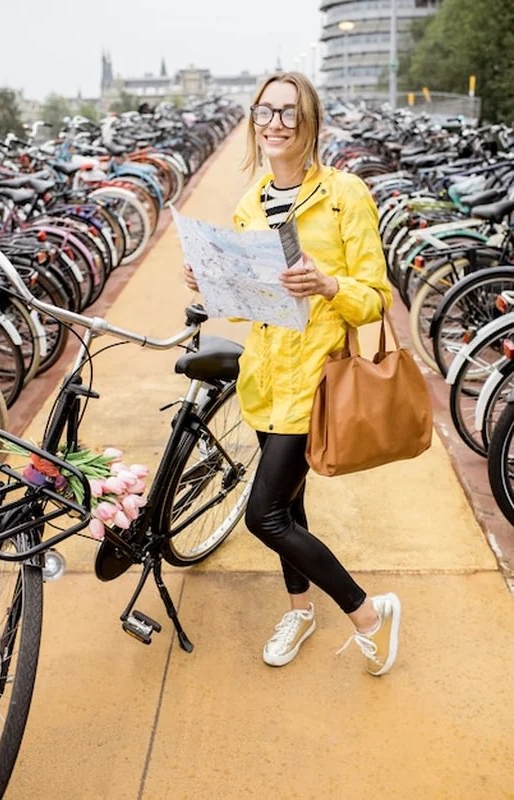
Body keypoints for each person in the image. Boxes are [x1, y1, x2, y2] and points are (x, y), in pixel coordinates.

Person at [184, 72, 401, 676]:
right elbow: (247, 301)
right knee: (290, 506)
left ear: (310, 121)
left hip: (316, 378)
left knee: (265, 515)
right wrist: (209, 282)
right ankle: (299, 611)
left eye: (288, 111)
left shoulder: (344, 194)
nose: (274, 123)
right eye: (264, 111)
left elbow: (376, 298)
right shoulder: (251, 203)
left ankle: (368, 613)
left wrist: (329, 285)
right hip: (265, 376)